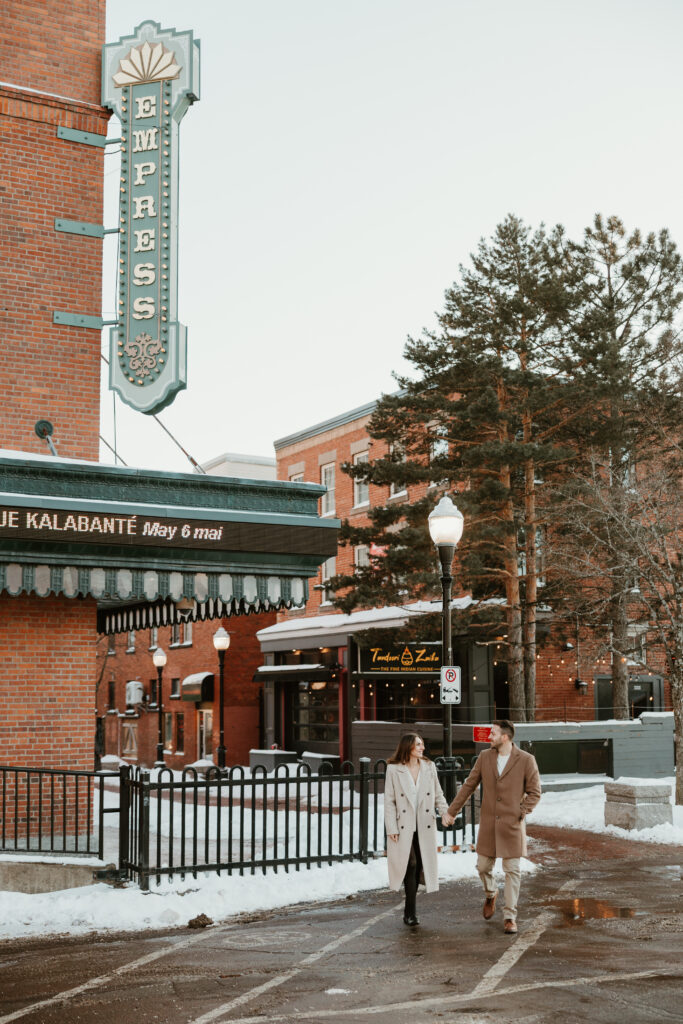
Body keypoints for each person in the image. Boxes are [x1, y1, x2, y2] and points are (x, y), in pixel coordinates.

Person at [441, 719, 541, 935]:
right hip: (488, 824)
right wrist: (452, 811)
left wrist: (521, 811)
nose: (489, 736)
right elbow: (469, 785)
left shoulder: (526, 760)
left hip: (512, 825)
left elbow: (535, 792)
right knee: (483, 867)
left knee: (512, 871)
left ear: (505, 737)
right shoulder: (485, 757)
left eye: (493, 733)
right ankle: (491, 893)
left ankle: (509, 916)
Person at [384, 732, 449, 926]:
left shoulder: (429, 767)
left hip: (424, 824)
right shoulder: (394, 769)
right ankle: (410, 912)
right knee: (410, 864)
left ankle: (409, 910)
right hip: (403, 826)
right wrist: (391, 827)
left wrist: (445, 812)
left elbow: (438, 794)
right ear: (408, 748)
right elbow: (389, 801)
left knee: (419, 865)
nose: (422, 748)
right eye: (418, 745)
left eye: (422, 744)